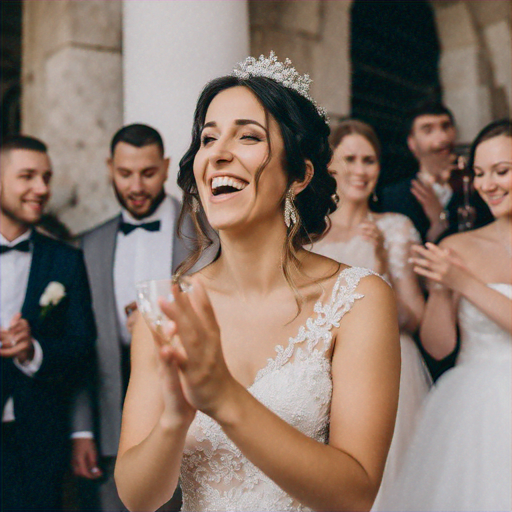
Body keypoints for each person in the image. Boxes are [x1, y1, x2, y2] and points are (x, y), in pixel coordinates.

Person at [114, 52, 400, 512]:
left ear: (299, 175)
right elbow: (136, 497)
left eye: (248, 136)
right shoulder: (169, 306)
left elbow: (355, 495)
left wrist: (223, 397)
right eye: (208, 138)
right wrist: (174, 418)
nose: (218, 153)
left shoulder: (359, 299)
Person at [386, 119, 512, 511]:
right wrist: (441, 291)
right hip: (475, 411)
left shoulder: (461, 266)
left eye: (502, 171)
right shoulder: (457, 244)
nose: (487, 184)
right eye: (479, 173)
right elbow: (439, 348)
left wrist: (464, 282)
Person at [71, 124, 192, 511]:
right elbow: (81, 346)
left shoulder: (205, 234)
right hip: (112, 412)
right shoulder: (90, 244)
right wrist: (83, 428)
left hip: (189, 409)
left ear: (166, 166)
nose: (136, 186)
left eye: (148, 173)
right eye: (125, 174)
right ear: (110, 168)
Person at [312, 119, 430, 510]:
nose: (360, 170)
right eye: (350, 159)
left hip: (393, 365)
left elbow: (414, 317)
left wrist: (380, 262)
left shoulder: (396, 227)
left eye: (370, 160)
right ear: (330, 166)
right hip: (329, 372)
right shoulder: (310, 239)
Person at [0, 135, 96, 511]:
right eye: (28, 176)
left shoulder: (65, 260)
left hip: (38, 438)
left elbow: (82, 345)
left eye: (46, 178)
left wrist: (33, 351)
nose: (42, 189)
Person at [378, 101, 493, 243]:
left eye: (446, 127)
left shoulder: (476, 185)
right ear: (412, 142)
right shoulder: (394, 196)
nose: (442, 138)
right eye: (428, 130)